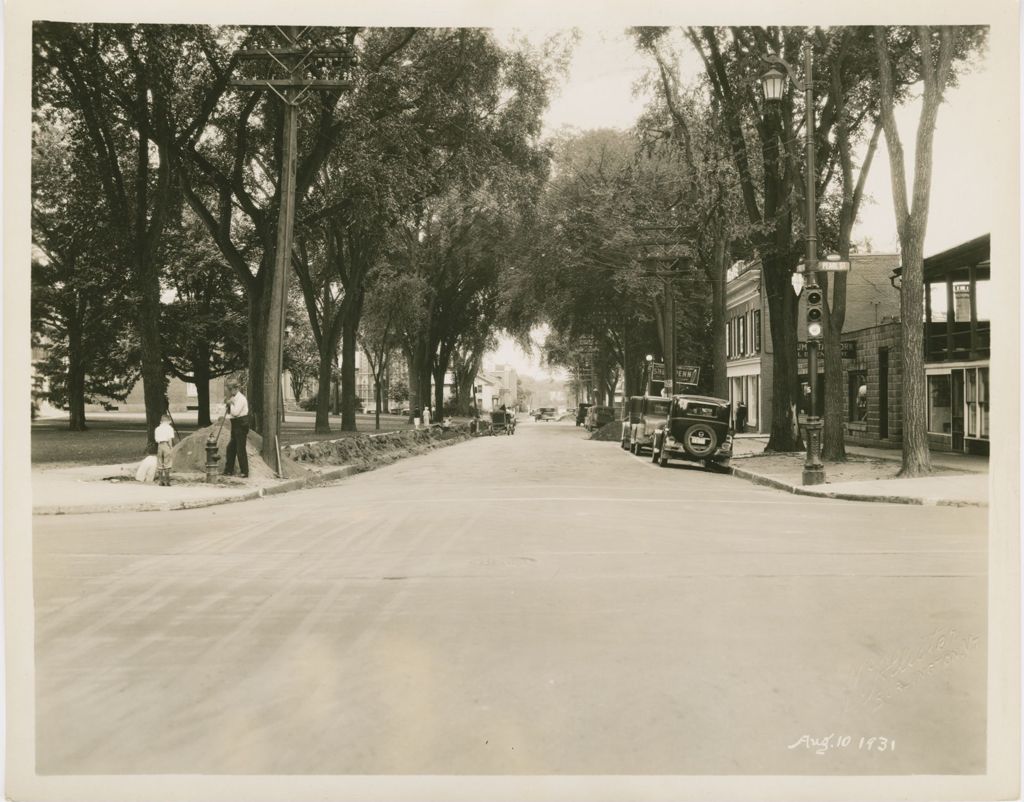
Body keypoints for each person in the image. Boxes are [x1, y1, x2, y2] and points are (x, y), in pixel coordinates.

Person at [223, 381, 249, 478]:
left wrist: (230, 404)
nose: (229, 392)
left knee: (240, 449)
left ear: (235, 389)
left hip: (241, 424)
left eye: (229, 390)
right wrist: (228, 403)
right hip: (235, 424)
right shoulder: (233, 398)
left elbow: (235, 412)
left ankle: (245, 472)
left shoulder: (241, 399)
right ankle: (228, 470)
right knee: (230, 448)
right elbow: (229, 412)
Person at [154, 413, 176, 486]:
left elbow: (156, 439)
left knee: (160, 462)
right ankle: (167, 482)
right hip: (166, 445)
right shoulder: (169, 428)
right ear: (168, 421)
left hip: (159, 445)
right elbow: (169, 439)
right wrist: (171, 447)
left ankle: (161, 481)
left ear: (161, 421)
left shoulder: (157, 428)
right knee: (167, 462)